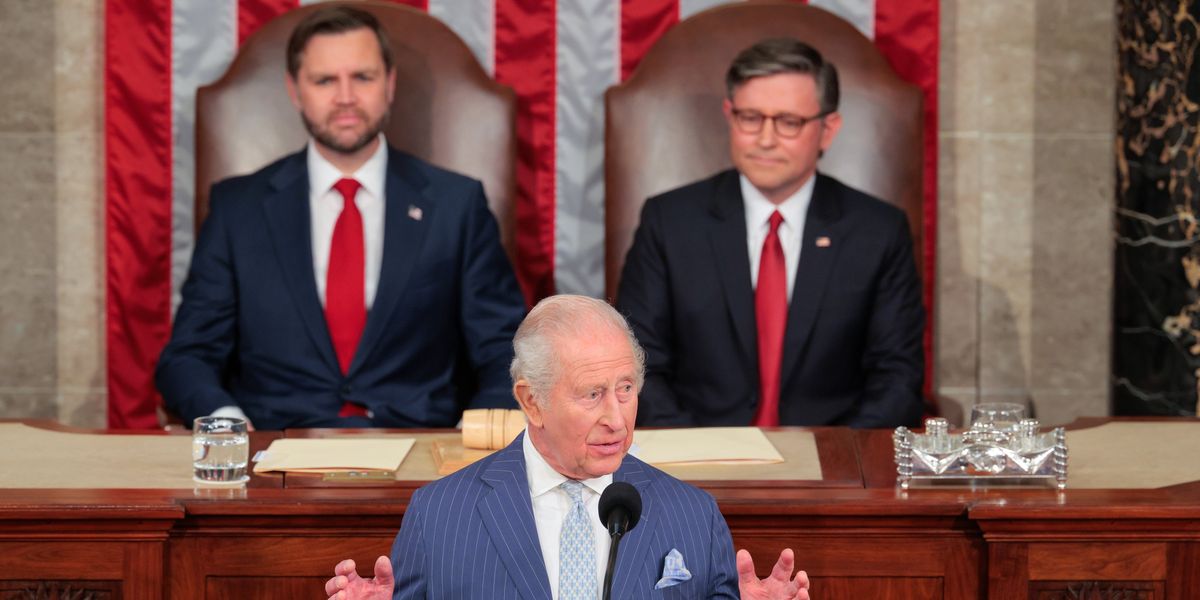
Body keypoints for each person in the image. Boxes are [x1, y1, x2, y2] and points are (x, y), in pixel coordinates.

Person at [156, 6, 526, 429]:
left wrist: (476, 435)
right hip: (274, 455)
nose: (345, 96)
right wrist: (228, 427)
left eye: (363, 78)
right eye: (325, 80)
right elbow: (188, 355)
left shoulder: (456, 204)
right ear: (295, 91)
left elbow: (505, 350)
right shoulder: (237, 208)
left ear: (389, 85)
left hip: (420, 455)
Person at [323, 295, 810, 599]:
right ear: (531, 401)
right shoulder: (440, 514)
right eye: (592, 394)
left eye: (625, 389)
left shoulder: (694, 514)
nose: (616, 419)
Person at [616, 38, 924, 429]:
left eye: (788, 122)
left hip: (832, 465)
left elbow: (897, 379)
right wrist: (700, 460)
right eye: (750, 118)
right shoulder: (670, 221)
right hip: (696, 459)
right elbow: (639, 366)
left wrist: (836, 462)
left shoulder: (878, 231)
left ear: (828, 129)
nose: (765, 139)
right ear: (729, 115)